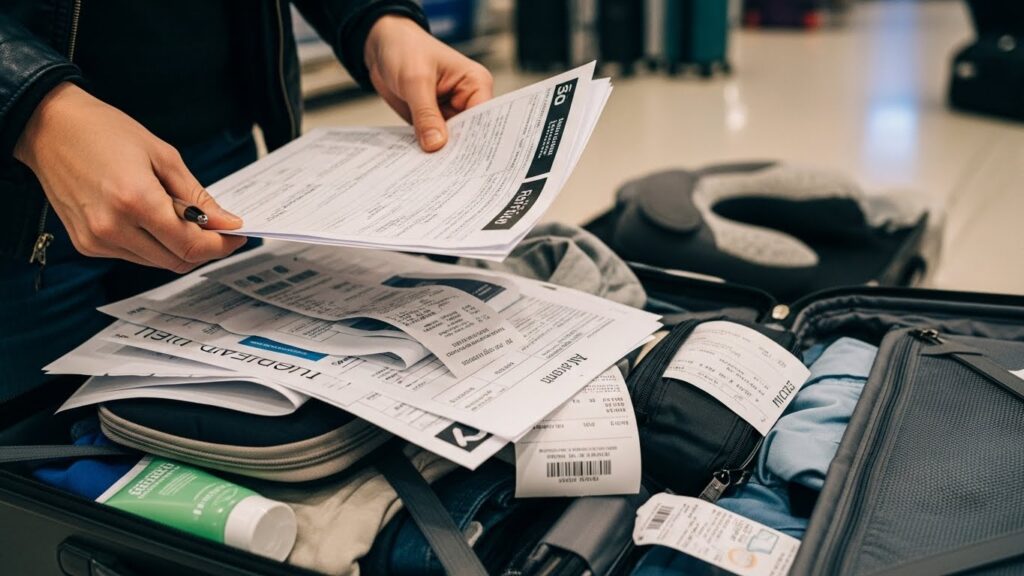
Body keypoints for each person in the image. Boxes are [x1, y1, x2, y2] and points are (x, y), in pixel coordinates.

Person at [0, 1, 494, 401]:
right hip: (24, 193)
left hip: (219, 160)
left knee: (235, 418)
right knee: (40, 450)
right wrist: (35, 109)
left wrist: (374, 17)